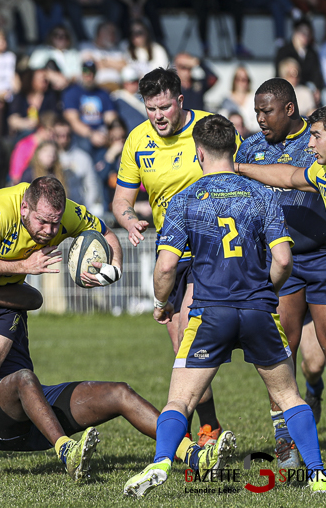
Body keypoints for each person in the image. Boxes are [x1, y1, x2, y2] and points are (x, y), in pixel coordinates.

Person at [123, 113, 326, 497]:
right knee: (288, 396)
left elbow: (166, 266)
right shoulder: (262, 194)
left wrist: (161, 303)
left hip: (209, 312)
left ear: (199, 153)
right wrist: (264, 289)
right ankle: (316, 473)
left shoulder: (186, 200)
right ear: (234, 148)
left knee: (180, 399)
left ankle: (163, 461)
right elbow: (284, 259)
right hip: (258, 310)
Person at [0, 177, 123, 478]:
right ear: (25, 207)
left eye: (56, 224)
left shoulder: (65, 213)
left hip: (5, 296)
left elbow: (106, 234)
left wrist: (115, 267)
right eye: (43, 222)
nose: (50, 232)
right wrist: (24, 267)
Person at [0, 272, 178, 481]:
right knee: (23, 378)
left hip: (35, 408)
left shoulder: (10, 291)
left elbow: (34, 298)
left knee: (120, 392)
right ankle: (66, 451)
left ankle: (189, 452)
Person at [236, 78, 326, 467]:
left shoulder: (321, 143)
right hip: (279, 258)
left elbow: (296, 176)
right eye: (256, 111)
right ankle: (284, 436)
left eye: (266, 111)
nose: (260, 119)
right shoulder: (253, 147)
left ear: (290, 109)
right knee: (281, 346)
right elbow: (284, 178)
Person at [112, 67, 235, 447]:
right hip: (172, 247)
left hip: (215, 246)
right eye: (151, 109)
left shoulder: (210, 129)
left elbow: (244, 172)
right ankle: (209, 425)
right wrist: (131, 220)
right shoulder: (137, 140)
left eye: (164, 107)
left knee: (190, 333)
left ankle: (205, 429)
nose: (158, 116)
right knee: (183, 344)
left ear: (180, 101)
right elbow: (121, 201)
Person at [62, 60, 117, 161]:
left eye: (91, 72)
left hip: (101, 132)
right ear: (81, 73)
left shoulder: (103, 93)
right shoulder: (72, 92)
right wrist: (91, 134)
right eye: (85, 72)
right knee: (85, 146)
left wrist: (106, 133)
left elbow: (111, 118)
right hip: (81, 135)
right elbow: (73, 121)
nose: (89, 75)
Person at [274, 18, 325, 94]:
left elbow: (316, 74)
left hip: (308, 90)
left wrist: (318, 89)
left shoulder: (312, 52)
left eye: (308, 33)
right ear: (295, 31)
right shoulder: (283, 51)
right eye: (302, 32)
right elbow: (280, 75)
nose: (305, 36)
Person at [8, 69, 59, 135]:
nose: (44, 82)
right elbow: (12, 120)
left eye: (46, 80)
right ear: (32, 80)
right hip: (24, 135)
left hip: (45, 134)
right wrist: (26, 123)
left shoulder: (50, 96)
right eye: (41, 79)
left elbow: (54, 117)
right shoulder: (21, 97)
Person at [79, 21, 128, 89]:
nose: (112, 35)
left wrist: (104, 62)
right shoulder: (87, 47)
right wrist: (114, 64)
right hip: (97, 88)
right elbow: (89, 66)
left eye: (113, 33)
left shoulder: (116, 50)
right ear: (99, 33)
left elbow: (124, 65)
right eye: (109, 32)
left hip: (117, 87)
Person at [219, 65, 255, 130]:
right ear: (234, 80)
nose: (241, 82)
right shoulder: (227, 98)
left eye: (244, 79)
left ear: (248, 81)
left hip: (251, 135)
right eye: (238, 79)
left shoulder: (254, 98)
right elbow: (222, 118)